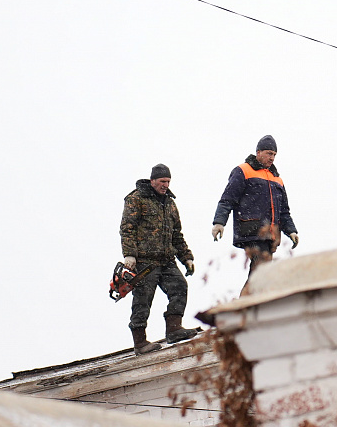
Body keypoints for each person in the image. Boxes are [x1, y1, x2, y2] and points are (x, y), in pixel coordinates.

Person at [119, 164, 196, 353]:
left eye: (168, 182)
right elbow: (127, 227)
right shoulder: (136, 199)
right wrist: (130, 254)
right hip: (145, 261)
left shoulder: (170, 203)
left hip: (167, 260)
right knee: (143, 300)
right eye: (162, 181)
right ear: (152, 180)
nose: (165, 185)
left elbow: (176, 234)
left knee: (180, 287)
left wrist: (186, 257)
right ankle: (140, 342)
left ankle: (174, 328)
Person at [212, 135, 299, 271]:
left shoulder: (277, 179)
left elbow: (284, 212)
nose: (272, 158)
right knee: (262, 268)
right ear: (258, 152)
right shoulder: (243, 171)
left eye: (274, 155)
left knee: (262, 273)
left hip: (270, 235)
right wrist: (219, 222)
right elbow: (228, 199)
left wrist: (291, 231)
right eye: (269, 153)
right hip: (251, 230)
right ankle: (253, 292)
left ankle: (250, 293)